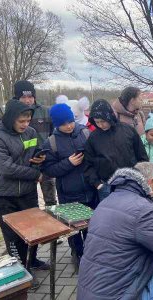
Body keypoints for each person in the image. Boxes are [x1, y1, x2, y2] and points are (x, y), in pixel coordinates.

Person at [77, 162, 153, 299]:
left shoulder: (105, 203)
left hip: (88, 293)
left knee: (150, 262)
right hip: (118, 296)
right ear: (151, 182)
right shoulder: (143, 209)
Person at [0, 99, 49, 269]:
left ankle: (32, 260)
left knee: (34, 231)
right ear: (10, 118)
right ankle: (21, 270)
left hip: (27, 192)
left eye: (28, 120)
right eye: (21, 121)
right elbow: (6, 168)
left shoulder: (30, 132)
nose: (25, 124)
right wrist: (35, 174)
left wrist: (40, 158)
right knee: (13, 236)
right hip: (4, 195)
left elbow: (37, 150)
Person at [41, 103, 98, 270]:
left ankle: (92, 255)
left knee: (92, 226)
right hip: (69, 193)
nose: (69, 126)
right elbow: (48, 170)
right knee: (73, 229)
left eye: (70, 121)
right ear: (57, 124)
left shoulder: (85, 132)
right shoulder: (51, 142)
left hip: (90, 189)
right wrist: (68, 163)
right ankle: (77, 253)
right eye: (64, 123)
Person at [84, 99, 148, 201]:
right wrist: (97, 184)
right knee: (110, 216)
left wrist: (141, 178)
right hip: (106, 186)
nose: (100, 125)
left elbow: (142, 156)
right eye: (97, 122)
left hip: (131, 184)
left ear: (109, 117)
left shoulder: (128, 130)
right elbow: (88, 163)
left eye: (103, 121)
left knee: (132, 214)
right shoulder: (93, 138)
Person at [14, 80, 56, 206]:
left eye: (30, 96)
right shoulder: (12, 113)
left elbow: (53, 135)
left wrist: (49, 153)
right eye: (23, 97)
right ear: (17, 97)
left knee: (51, 200)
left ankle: (52, 221)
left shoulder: (45, 111)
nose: (27, 100)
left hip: (45, 161)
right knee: (29, 200)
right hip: (24, 164)